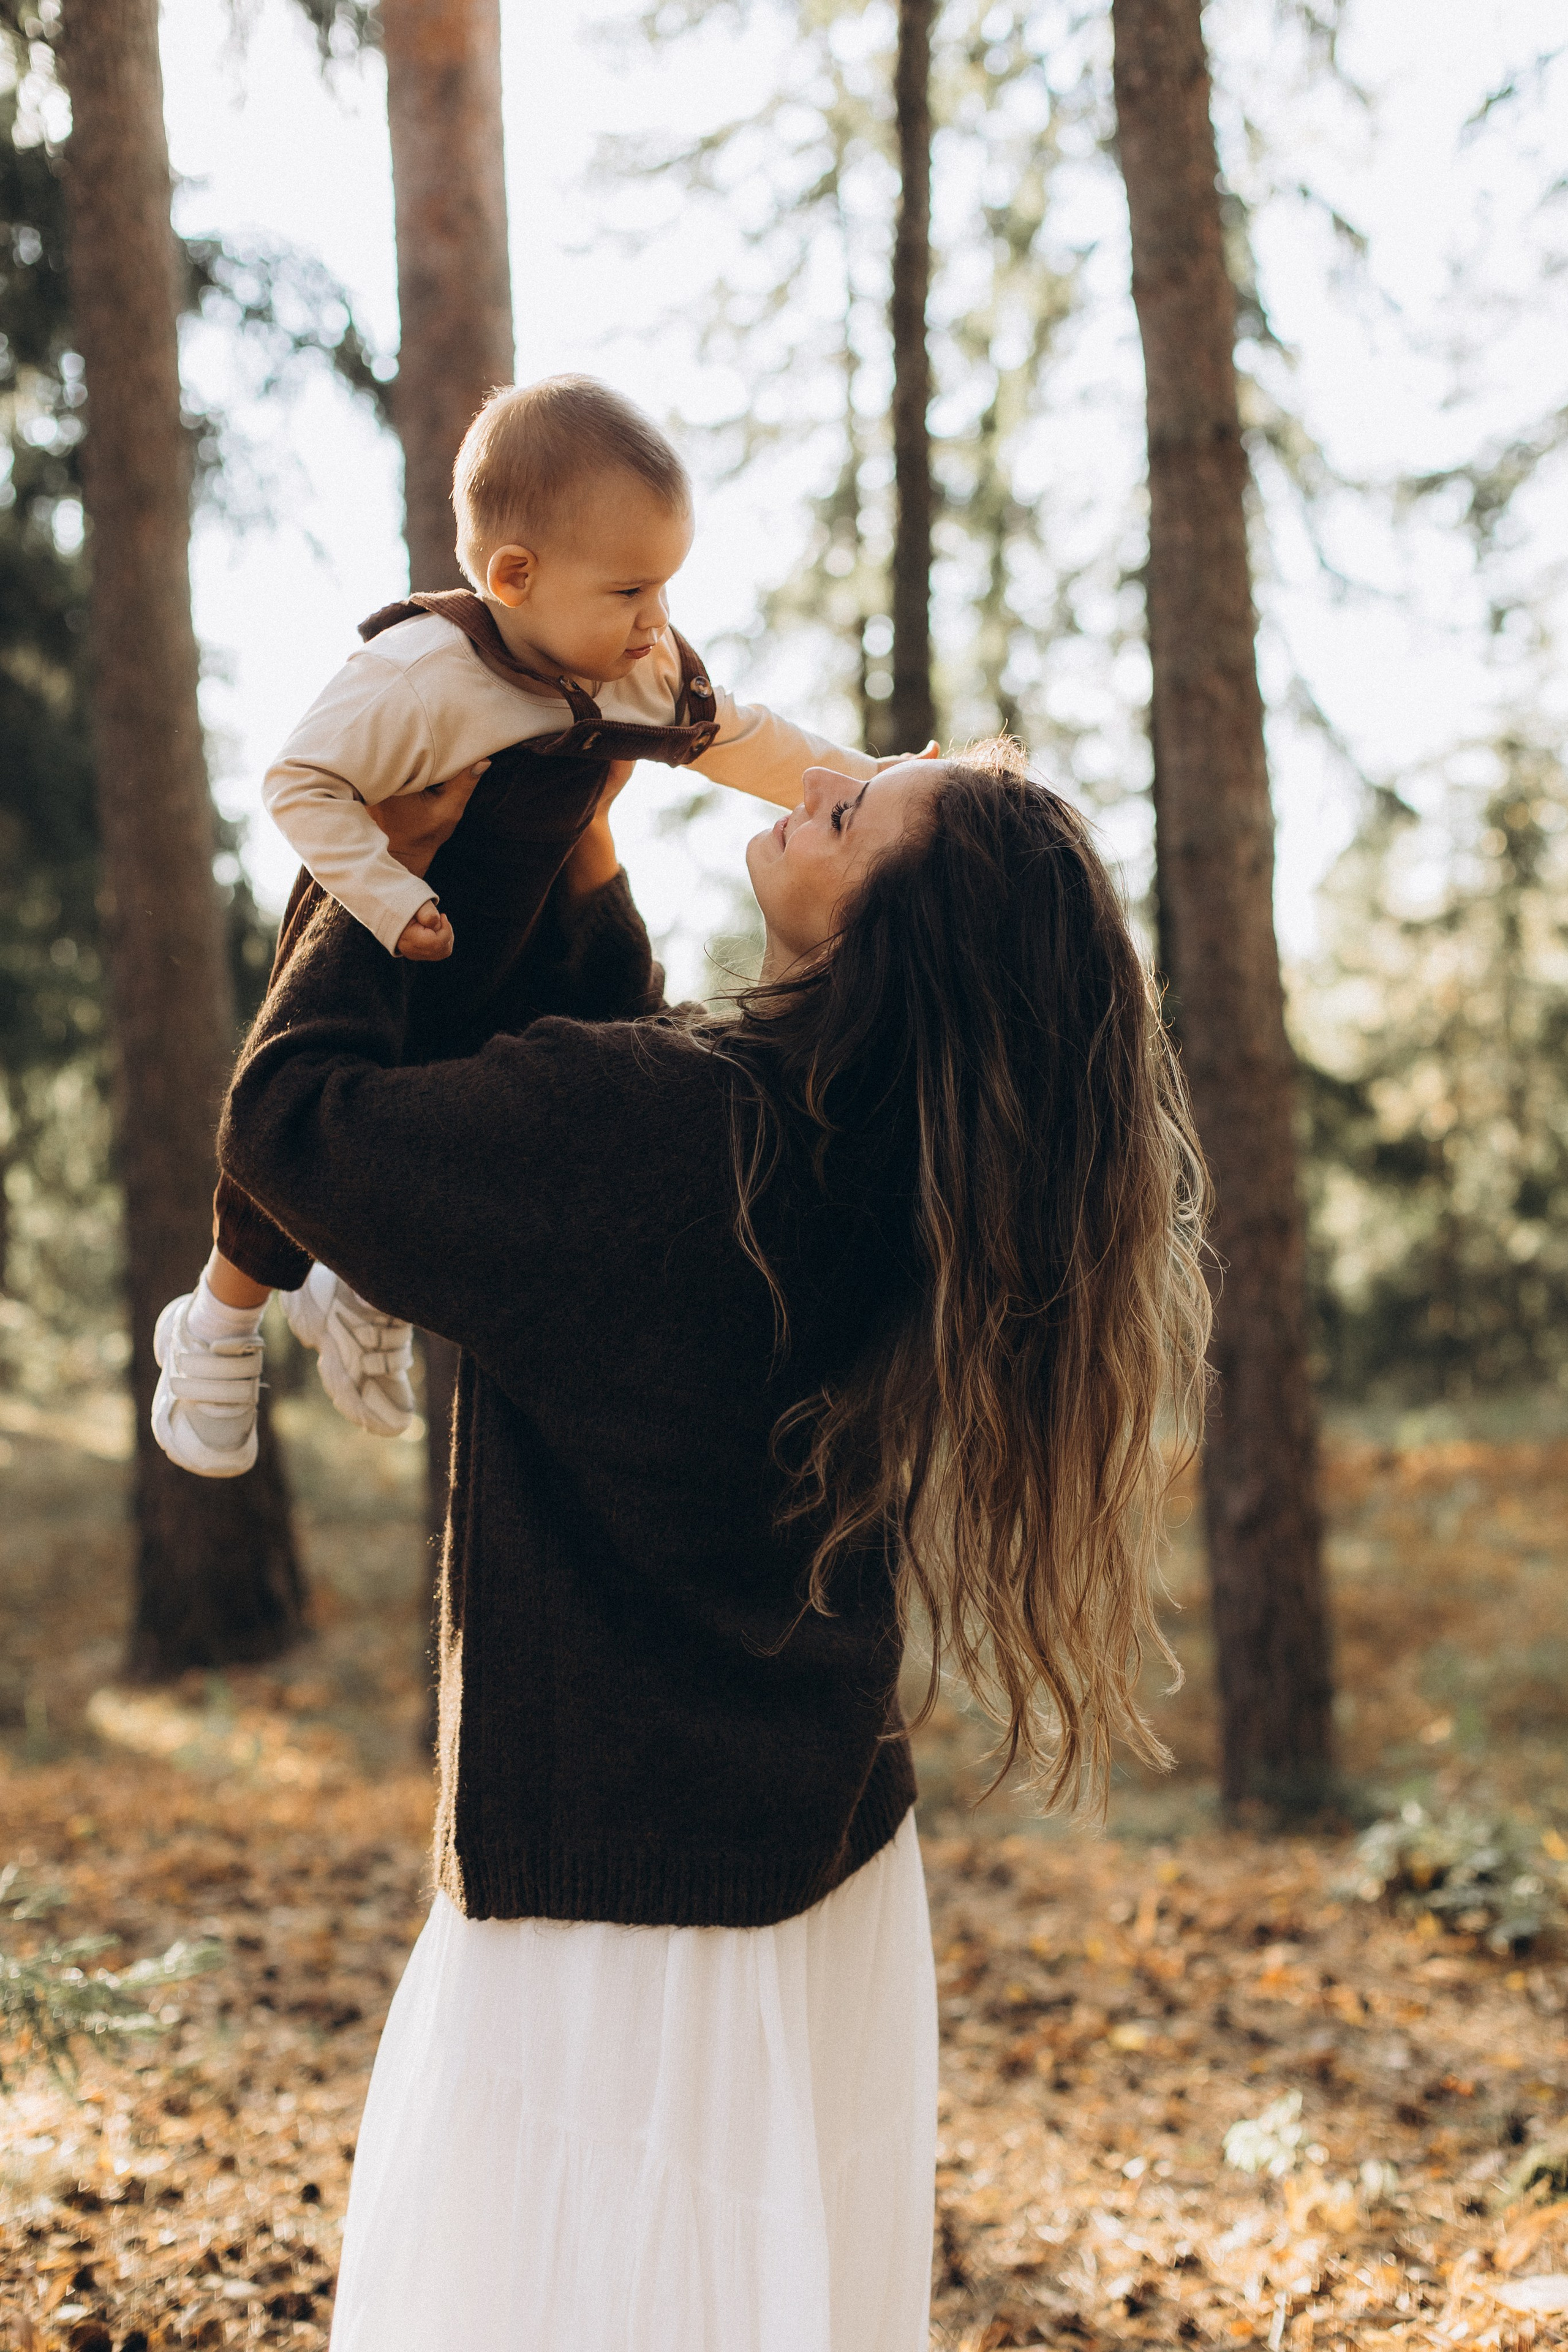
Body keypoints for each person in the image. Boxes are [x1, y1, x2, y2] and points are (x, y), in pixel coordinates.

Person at [215, 724, 1212, 2351]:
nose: (813, 780)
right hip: (816, 1862)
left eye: (855, 811)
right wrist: (583, 862)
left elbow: (291, 1130)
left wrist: (358, 872)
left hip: (621, 1926)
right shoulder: (879, 1155)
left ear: (890, 935)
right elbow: (597, 1126)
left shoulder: (669, 1134)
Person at [149, 374, 922, 1480]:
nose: (658, 619)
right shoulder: (418, 677)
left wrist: (874, 779)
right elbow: (299, 783)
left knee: (451, 1134)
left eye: (667, 586)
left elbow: (748, 739)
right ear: (515, 576)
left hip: (532, 931)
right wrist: (389, 893)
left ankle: (367, 1280)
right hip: (394, 921)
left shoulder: (640, 667)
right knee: (307, 1130)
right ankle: (214, 1324)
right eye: (633, 588)